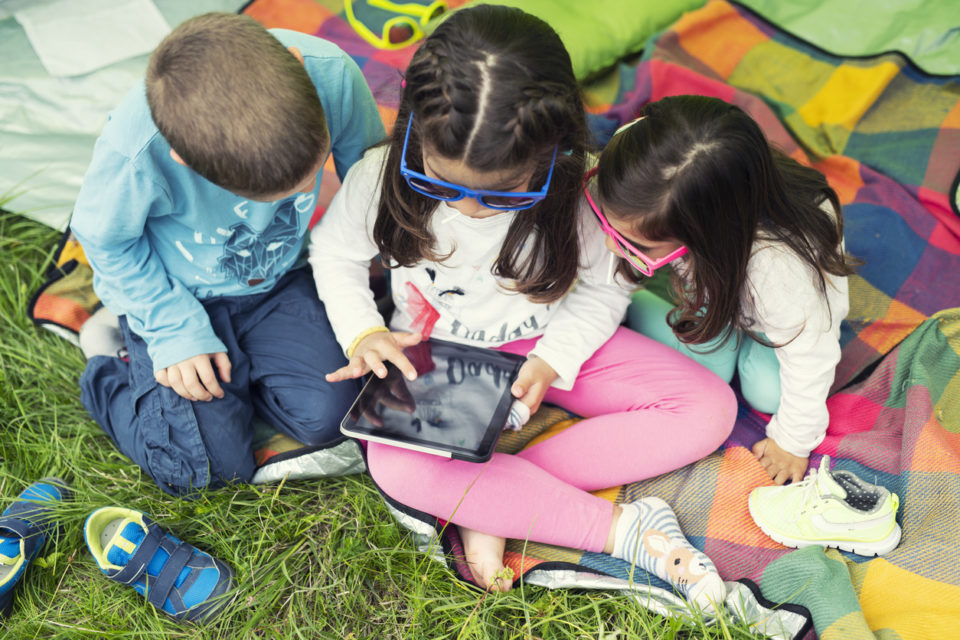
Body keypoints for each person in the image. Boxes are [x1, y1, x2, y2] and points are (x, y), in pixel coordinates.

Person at [309, 5, 736, 609]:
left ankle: (495, 499)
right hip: (437, 355)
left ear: (555, 147)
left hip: (544, 341)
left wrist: (552, 360)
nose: (470, 209)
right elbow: (333, 255)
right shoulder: (381, 178)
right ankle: (627, 533)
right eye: (441, 183)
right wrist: (362, 332)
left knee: (707, 408)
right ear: (414, 129)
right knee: (397, 468)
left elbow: (601, 289)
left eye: (501, 193)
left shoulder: (583, 191)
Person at [70, 13, 385, 495]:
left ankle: (238, 383)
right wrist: (174, 330)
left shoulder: (332, 74)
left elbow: (369, 180)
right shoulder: (136, 153)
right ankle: (109, 361)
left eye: (313, 170)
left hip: (279, 280)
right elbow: (106, 241)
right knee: (201, 471)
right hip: (176, 295)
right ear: (186, 161)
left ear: (297, 66)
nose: (307, 189)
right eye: (275, 193)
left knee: (343, 416)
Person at [590, 95, 854, 486]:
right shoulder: (641, 171)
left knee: (767, 393)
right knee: (709, 362)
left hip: (783, 325)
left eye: (637, 246)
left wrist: (793, 442)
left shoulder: (778, 273)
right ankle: (712, 336)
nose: (613, 247)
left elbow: (810, 355)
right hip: (723, 295)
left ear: (708, 238)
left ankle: (731, 343)